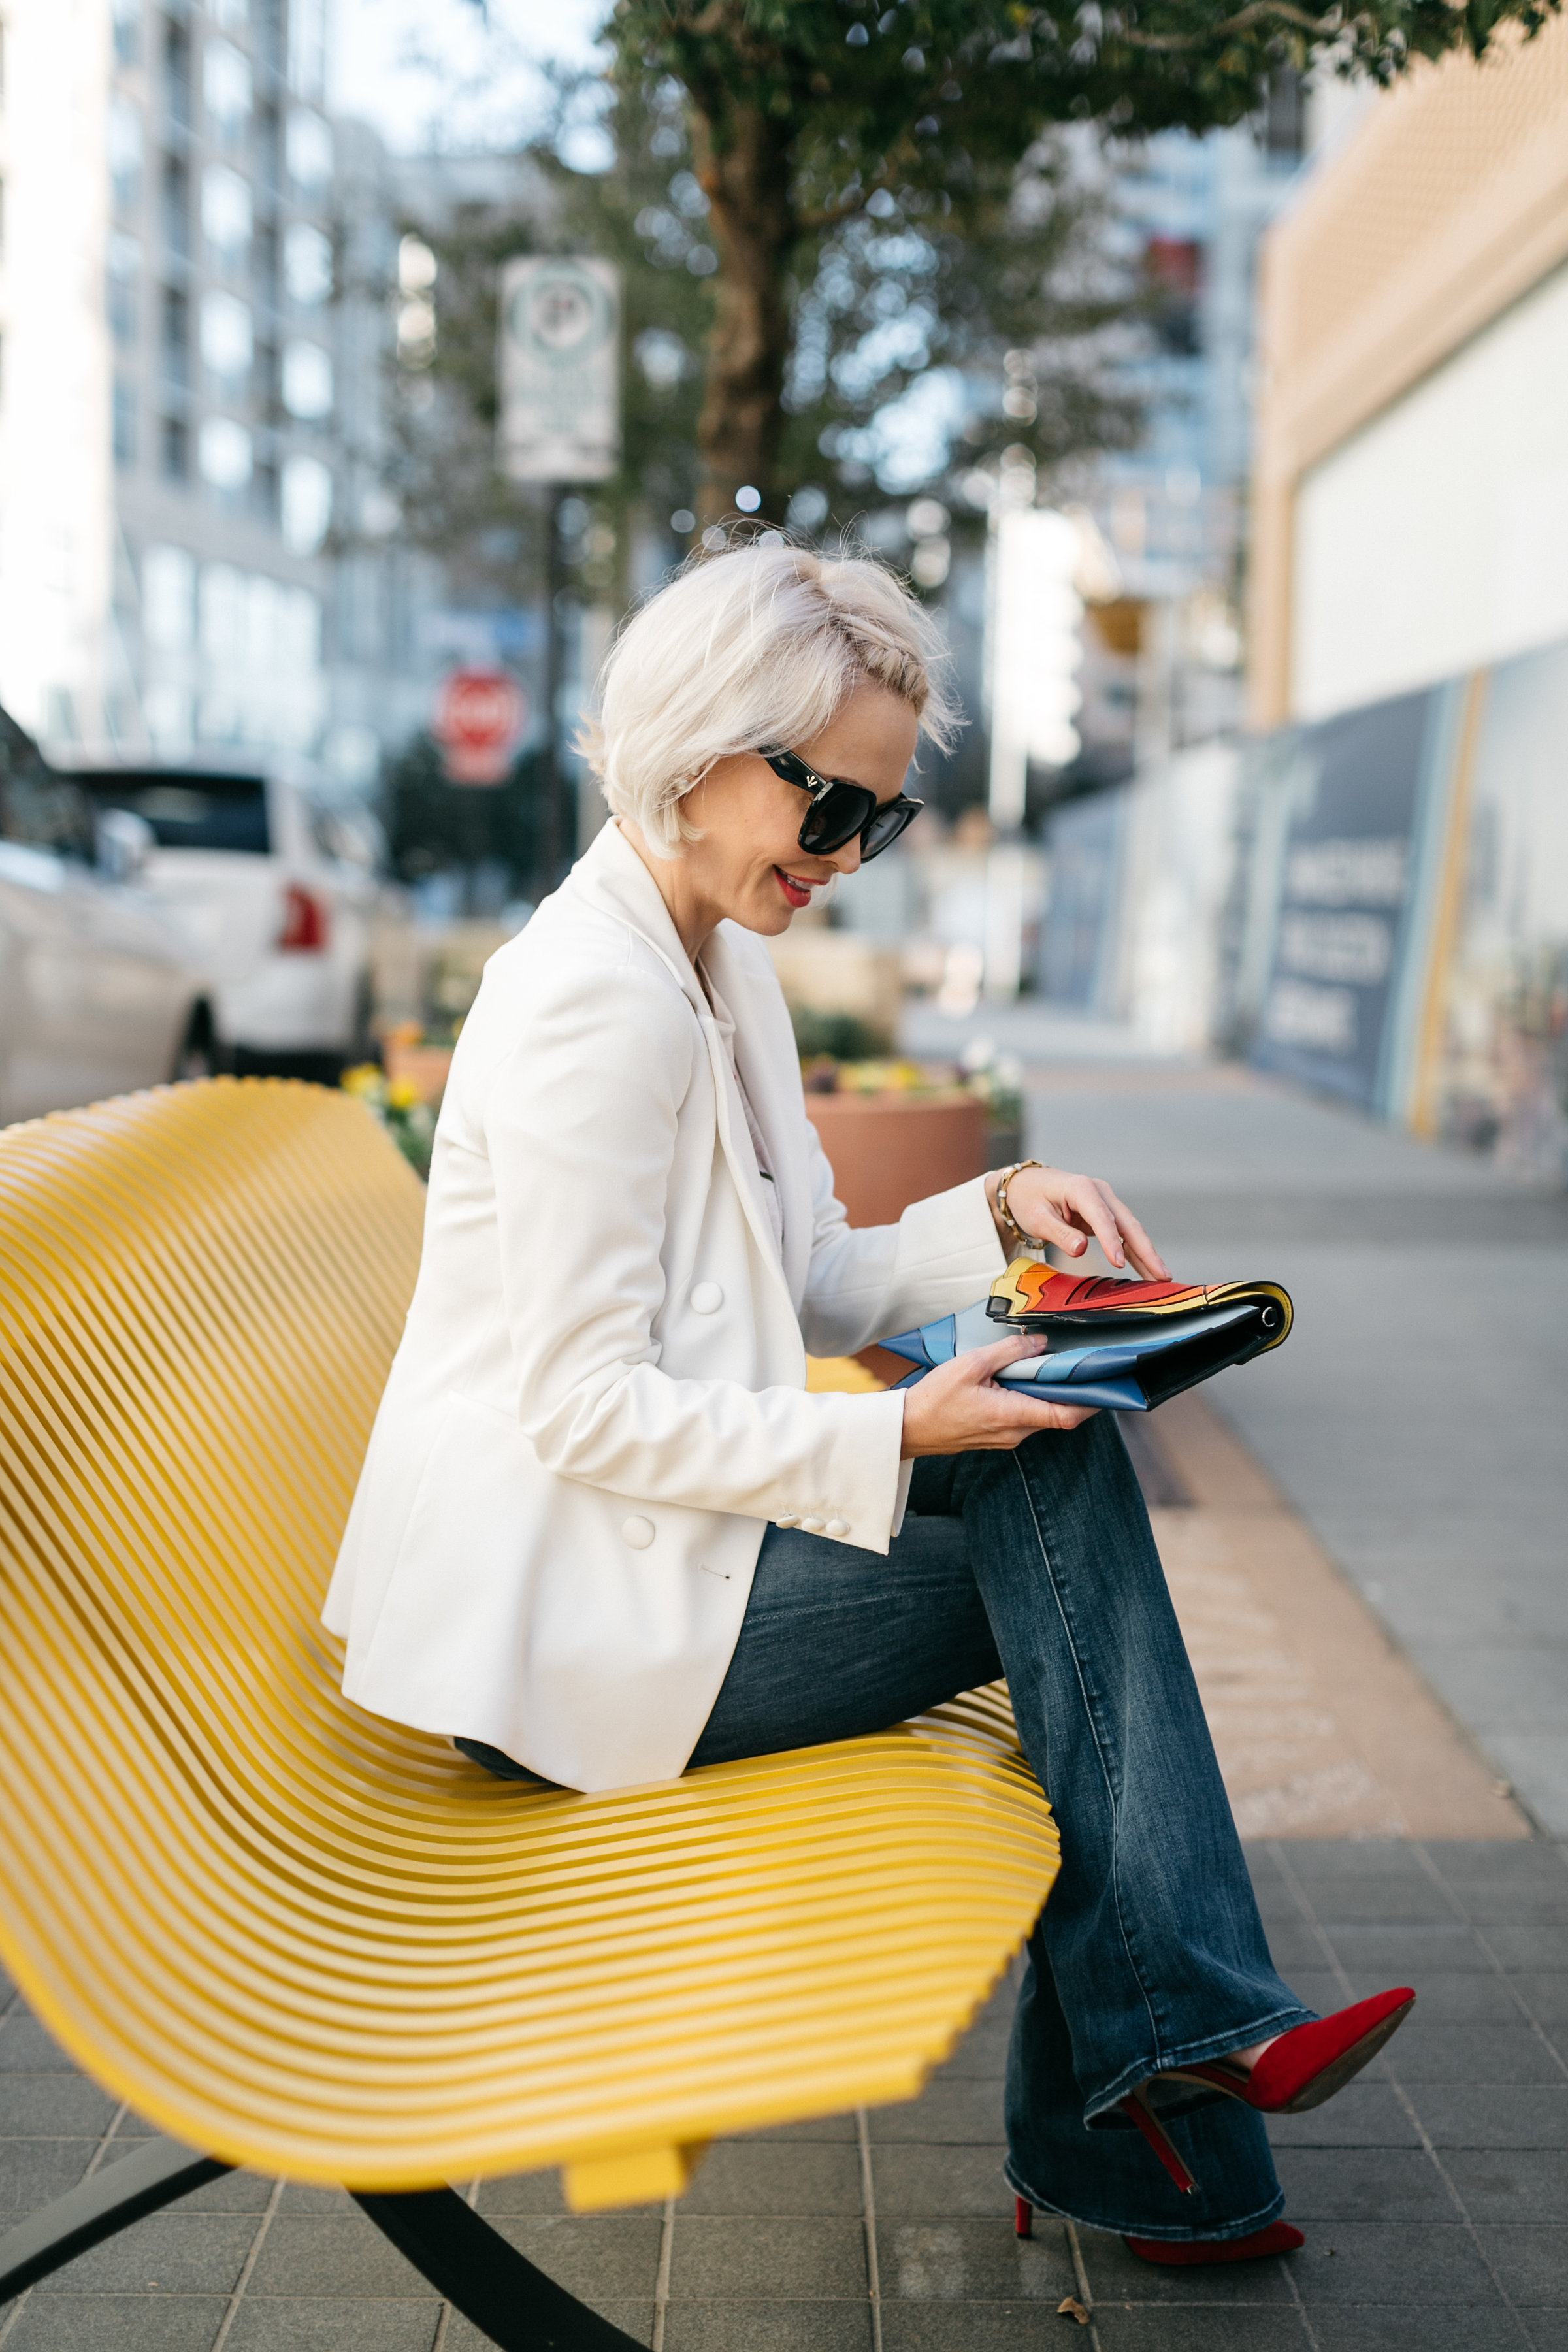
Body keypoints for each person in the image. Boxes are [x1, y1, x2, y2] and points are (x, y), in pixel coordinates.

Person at [325, 542, 1413, 2260]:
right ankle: (1164, 2077)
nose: (844, 857)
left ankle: (1168, 2082)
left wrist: (992, 1212)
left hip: (653, 1574)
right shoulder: (590, 1008)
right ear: (698, 745)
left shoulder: (714, 962)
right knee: (1051, 1520)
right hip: (554, 1634)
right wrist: (895, 1431)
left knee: (1053, 1476)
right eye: (828, 807)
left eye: (879, 823)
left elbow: (810, 1270)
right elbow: (583, 1408)